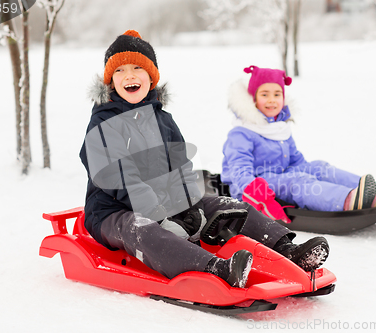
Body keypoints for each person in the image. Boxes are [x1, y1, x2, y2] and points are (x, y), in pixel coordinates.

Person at [80, 31, 330, 289]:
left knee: (226, 204)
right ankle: (217, 269)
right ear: (110, 80)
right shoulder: (103, 124)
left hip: (164, 200)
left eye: (137, 68)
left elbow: (181, 166)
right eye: (120, 70)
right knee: (143, 229)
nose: (129, 75)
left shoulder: (163, 119)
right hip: (113, 210)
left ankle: (287, 250)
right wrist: (161, 215)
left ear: (152, 76)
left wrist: (187, 205)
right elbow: (119, 178)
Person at [222, 65, 376, 221]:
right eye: (264, 94)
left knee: (318, 167)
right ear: (253, 99)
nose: (272, 100)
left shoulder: (279, 128)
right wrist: (254, 193)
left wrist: (313, 172)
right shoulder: (241, 133)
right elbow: (239, 170)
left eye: (277, 94)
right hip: (253, 187)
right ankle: (347, 199)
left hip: (280, 176)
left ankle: (370, 191)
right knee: (298, 180)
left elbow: (295, 161)